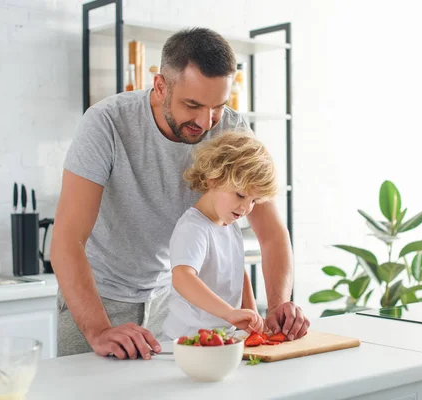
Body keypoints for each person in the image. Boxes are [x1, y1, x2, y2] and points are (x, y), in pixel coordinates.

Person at [50, 27, 309, 360]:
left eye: (218, 106)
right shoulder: (106, 123)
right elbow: (67, 241)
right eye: (193, 105)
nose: (206, 121)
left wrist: (278, 306)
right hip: (97, 298)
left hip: (169, 302)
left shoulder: (228, 127)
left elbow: (272, 234)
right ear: (160, 86)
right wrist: (99, 330)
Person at [163, 132, 277, 340]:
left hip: (220, 335)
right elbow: (182, 277)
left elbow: (236, 270)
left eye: (254, 201)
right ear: (213, 179)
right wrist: (230, 313)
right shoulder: (193, 228)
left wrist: (252, 318)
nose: (246, 208)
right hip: (187, 337)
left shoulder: (228, 224)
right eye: (241, 195)